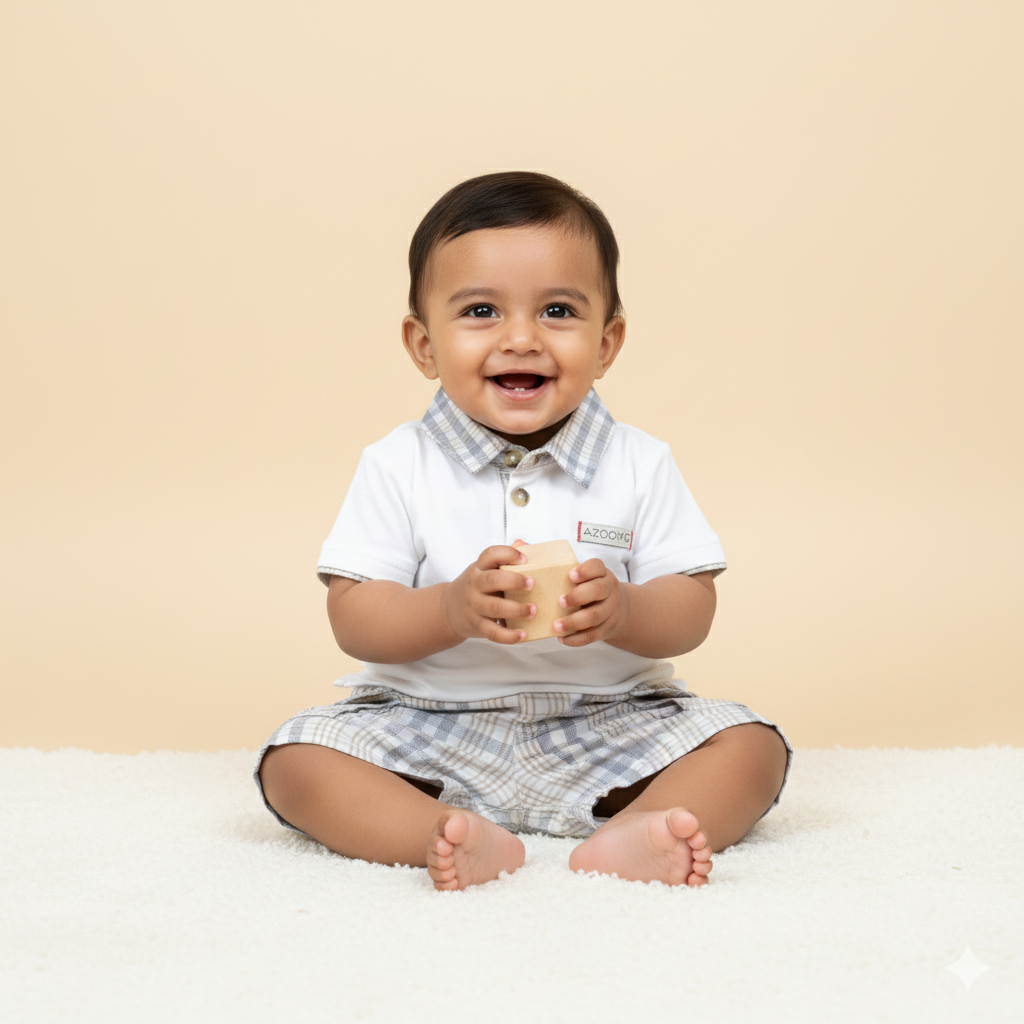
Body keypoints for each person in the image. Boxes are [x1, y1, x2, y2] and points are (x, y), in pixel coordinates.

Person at [255, 171, 792, 891]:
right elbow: (355, 618)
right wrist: (449, 608)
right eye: (480, 310)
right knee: (296, 761)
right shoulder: (397, 464)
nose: (521, 339)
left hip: (611, 719)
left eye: (558, 311)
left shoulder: (639, 462)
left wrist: (626, 610)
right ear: (423, 344)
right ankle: (438, 833)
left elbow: (692, 606)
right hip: (427, 722)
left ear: (608, 342)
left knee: (751, 746)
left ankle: (639, 830)